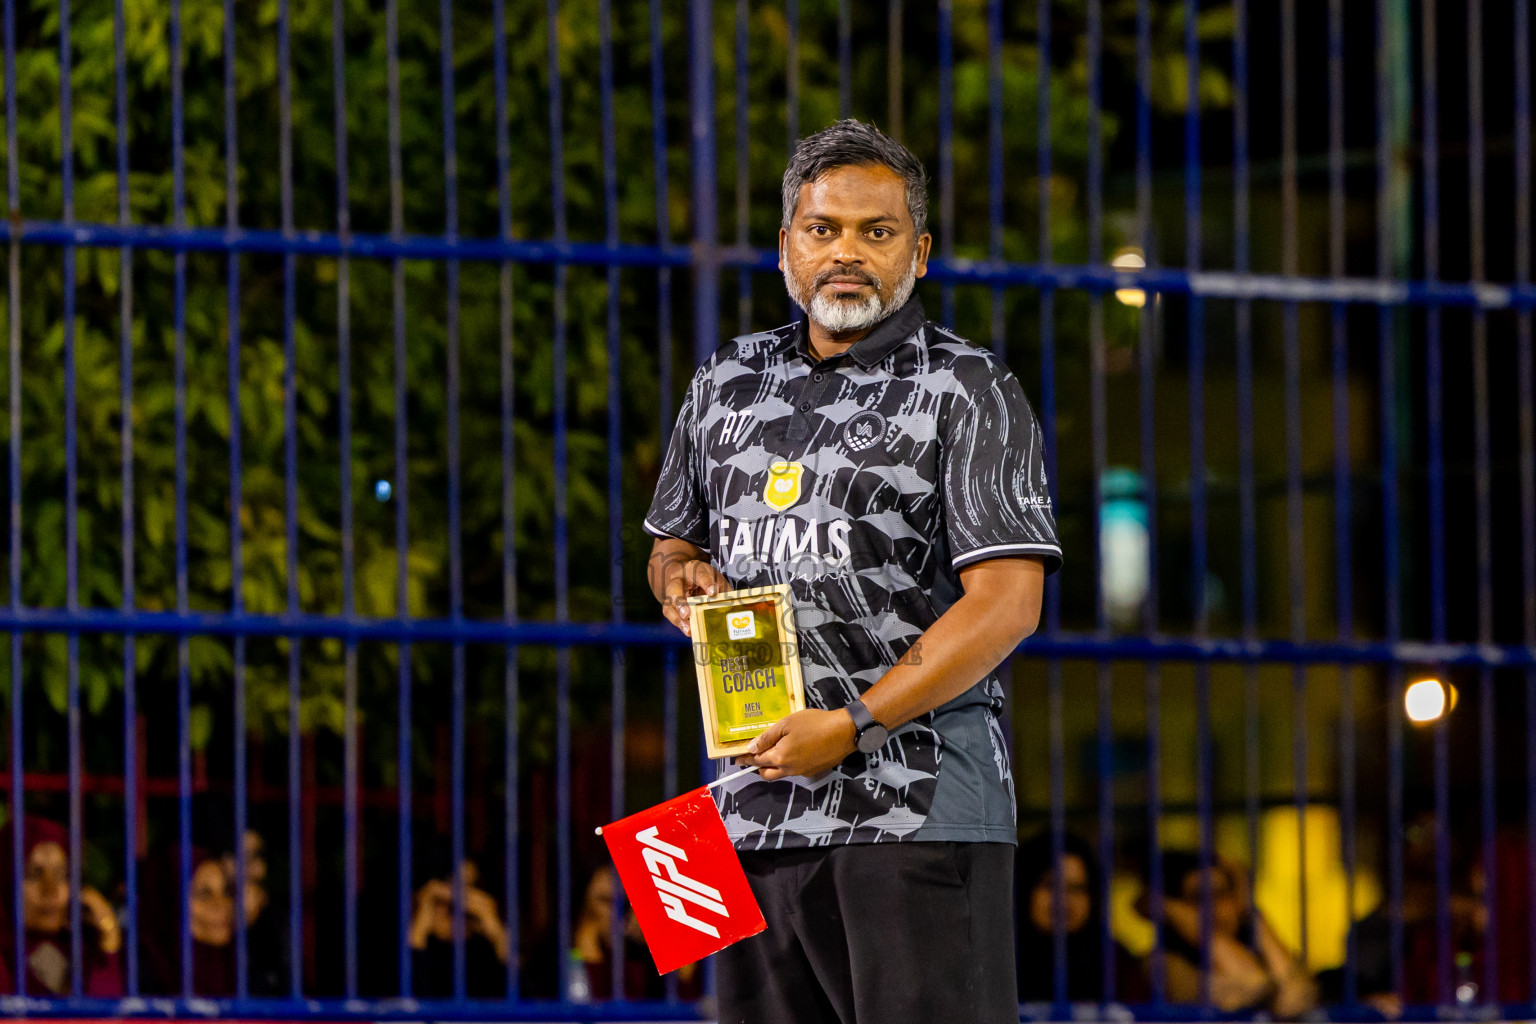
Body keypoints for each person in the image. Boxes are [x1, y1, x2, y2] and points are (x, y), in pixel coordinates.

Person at [645, 118, 1060, 1023]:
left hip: (914, 816)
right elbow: (671, 546)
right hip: (748, 813)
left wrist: (856, 722)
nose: (847, 253)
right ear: (786, 247)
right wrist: (682, 580)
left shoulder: (968, 387)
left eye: (876, 232)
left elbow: (1008, 604)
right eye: (822, 228)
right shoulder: (725, 383)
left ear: (919, 251)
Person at [1149, 850, 1317, 1018]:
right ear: (1180, 908)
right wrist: (1182, 918)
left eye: (1220, 894)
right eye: (1198, 896)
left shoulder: (1260, 951)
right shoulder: (1164, 962)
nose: (1212, 908)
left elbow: (1297, 997)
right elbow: (1252, 983)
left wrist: (1250, 911)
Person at [1015, 831, 1147, 1004]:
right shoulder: (999, 957)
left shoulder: (1114, 963)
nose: (1064, 900)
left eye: (1077, 888)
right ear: (1025, 889)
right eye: (1050, 885)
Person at [0, 815, 123, 995]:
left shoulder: (83, 948)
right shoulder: (6, 954)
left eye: (61, 875)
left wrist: (109, 935)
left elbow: (108, 1015)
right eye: (33, 875)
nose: (50, 890)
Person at [407, 854, 509, 997]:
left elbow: (526, 1002)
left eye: (470, 893)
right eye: (446, 898)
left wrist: (496, 932)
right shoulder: (421, 943)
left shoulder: (482, 951)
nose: (458, 908)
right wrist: (417, 934)